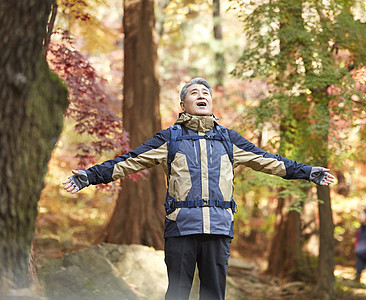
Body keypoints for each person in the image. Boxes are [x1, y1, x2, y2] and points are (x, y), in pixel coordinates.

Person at [62, 77, 335, 300]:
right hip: (181, 228)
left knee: (213, 295)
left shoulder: (229, 139)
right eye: (195, 92)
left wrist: (308, 172)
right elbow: (128, 162)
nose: (202, 95)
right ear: (183, 104)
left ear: (211, 102)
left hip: (218, 228)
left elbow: (270, 162)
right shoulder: (169, 138)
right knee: (178, 294)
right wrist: (89, 176)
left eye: (206, 92)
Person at [354, 209, 366, 283]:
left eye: (362, 215)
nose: (360, 217)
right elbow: (357, 239)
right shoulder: (359, 228)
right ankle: (357, 282)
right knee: (358, 270)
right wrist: (356, 248)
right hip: (360, 253)